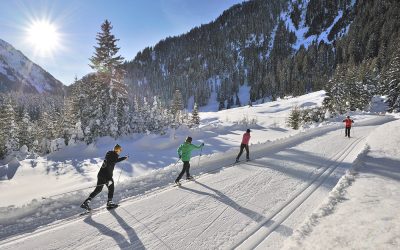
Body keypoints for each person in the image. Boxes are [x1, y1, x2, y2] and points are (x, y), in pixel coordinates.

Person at [80, 144, 128, 210]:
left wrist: (123, 158)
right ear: (118, 150)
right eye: (120, 150)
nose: (120, 151)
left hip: (100, 175)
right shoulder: (114, 156)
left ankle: (86, 202)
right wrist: (124, 158)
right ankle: (109, 203)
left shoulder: (109, 154)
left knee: (98, 189)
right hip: (107, 176)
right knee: (111, 188)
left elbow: (113, 161)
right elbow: (114, 161)